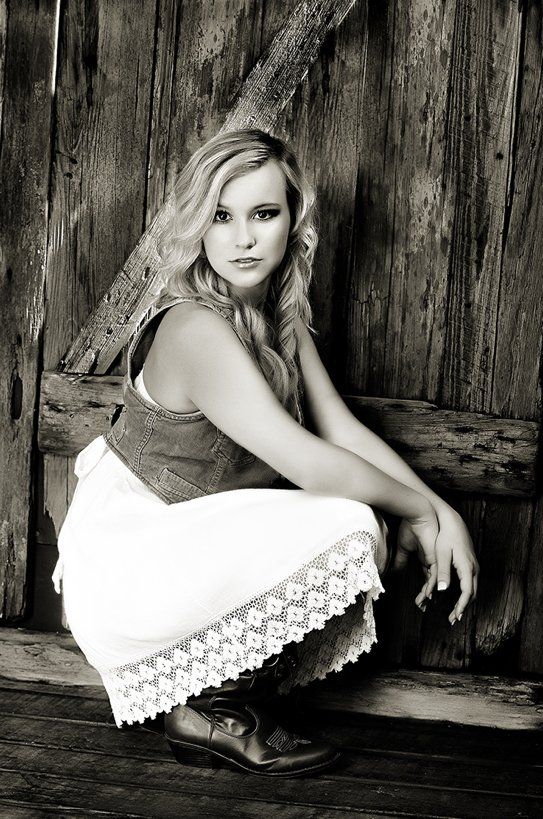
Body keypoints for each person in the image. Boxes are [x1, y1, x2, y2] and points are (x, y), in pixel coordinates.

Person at [51, 128, 479, 777]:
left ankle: (220, 697)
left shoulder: (276, 317)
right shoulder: (194, 325)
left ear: (292, 222)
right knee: (353, 519)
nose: (242, 237)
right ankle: (209, 711)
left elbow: (342, 431)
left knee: (375, 519)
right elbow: (309, 462)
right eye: (221, 216)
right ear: (198, 222)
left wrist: (442, 513)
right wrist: (418, 510)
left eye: (263, 213)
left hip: (184, 548)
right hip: (129, 565)